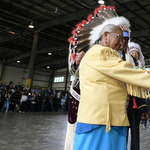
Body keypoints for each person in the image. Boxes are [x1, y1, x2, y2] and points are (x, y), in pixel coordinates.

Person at [65, 5, 132, 150]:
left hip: (118, 113)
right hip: (92, 112)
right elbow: (75, 74)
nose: (122, 42)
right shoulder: (92, 52)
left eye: (125, 38)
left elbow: (133, 77)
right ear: (106, 34)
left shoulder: (127, 57)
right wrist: (77, 64)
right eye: (120, 37)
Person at [126, 42, 148, 150]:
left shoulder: (141, 70)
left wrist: (143, 108)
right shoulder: (125, 66)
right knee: (123, 134)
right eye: (132, 53)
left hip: (136, 107)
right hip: (125, 105)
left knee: (135, 134)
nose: (134, 54)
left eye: (136, 53)